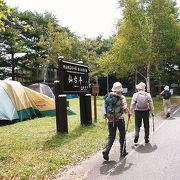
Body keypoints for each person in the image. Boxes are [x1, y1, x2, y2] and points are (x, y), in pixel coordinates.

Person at [102, 82, 131, 161]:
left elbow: (104, 107)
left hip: (110, 119)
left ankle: (106, 151)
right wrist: (129, 112)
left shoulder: (108, 96)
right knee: (122, 135)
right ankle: (123, 151)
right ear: (120, 89)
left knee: (111, 136)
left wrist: (107, 116)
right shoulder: (121, 97)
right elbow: (124, 108)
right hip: (120, 119)